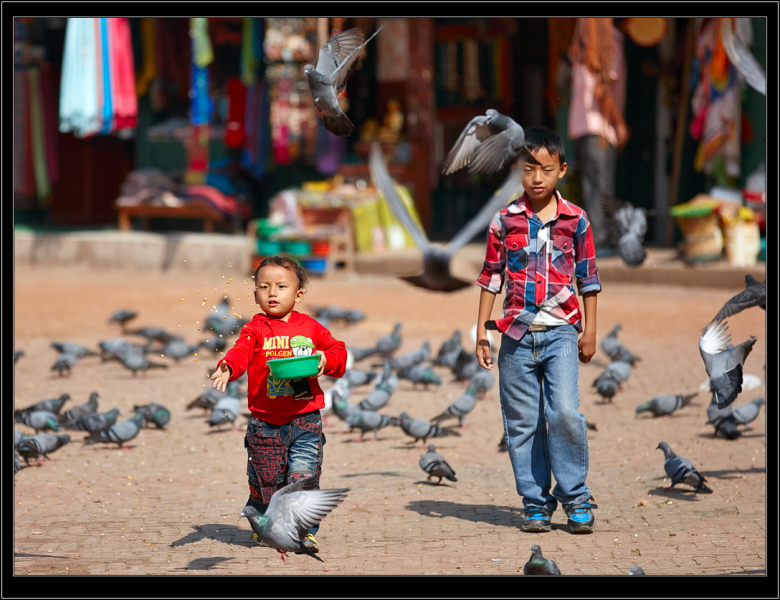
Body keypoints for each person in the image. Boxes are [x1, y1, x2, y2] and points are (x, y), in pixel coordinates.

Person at [474, 126, 601, 534]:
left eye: (546, 169)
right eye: (529, 169)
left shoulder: (577, 220)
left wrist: (590, 331)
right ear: (518, 170)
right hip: (514, 335)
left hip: (562, 331)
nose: (537, 178)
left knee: (564, 411)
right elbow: (491, 277)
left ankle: (576, 499)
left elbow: (589, 279)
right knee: (522, 421)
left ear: (562, 170)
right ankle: (535, 504)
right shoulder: (504, 220)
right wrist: (481, 332)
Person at [211, 256, 347, 553]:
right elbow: (241, 351)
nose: (272, 293)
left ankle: (304, 531)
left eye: (281, 286)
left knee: (303, 479)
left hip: (305, 419)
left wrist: (327, 360)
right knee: (267, 485)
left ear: (298, 295)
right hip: (265, 424)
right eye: (264, 286)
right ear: (255, 293)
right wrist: (228, 367)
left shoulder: (310, 327)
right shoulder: (255, 328)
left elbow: (338, 351)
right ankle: (260, 515)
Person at [567, 17, 628, 256]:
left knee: (591, 189)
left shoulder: (582, 50)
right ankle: (601, 242)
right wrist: (620, 125)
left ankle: (597, 241)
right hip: (599, 130)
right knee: (601, 190)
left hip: (582, 130)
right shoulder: (607, 42)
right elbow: (603, 91)